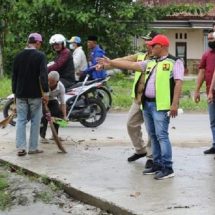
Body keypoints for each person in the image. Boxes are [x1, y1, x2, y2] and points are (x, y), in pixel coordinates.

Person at [98, 34, 184, 180]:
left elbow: (179, 83)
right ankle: (156, 164)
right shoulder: (150, 62)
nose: (149, 47)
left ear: (161, 46)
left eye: (153, 45)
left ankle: (168, 167)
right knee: (153, 136)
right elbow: (131, 65)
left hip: (161, 105)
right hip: (147, 104)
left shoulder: (174, 62)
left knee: (162, 136)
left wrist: (174, 104)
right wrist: (111, 62)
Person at [112, 31, 158, 168]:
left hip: (152, 100)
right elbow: (123, 60)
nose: (146, 43)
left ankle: (151, 156)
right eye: (145, 40)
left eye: (148, 41)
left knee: (152, 129)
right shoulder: (140, 56)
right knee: (131, 124)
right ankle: (140, 150)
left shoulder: (160, 59)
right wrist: (107, 63)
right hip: (138, 99)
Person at [12, 32, 49, 156]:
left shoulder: (18, 56)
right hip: (35, 94)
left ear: (28, 42)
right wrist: (46, 92)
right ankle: (33, 148)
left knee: (21, 120)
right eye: (40, 43)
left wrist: (14, 93)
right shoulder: (40, 56)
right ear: (37, 42)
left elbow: (14, 77)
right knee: (35, 121)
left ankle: (21, 148)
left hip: (20, 93)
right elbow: (43, 76)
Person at [195, 31, 215, 155]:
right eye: (209, 38)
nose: (210, 40)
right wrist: (197, 90)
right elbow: (202, 73)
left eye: (212, 38)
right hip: (210, 93)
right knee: (213, 121)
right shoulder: (207, 54)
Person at [40, 71, 66, 142]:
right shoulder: (44, 83)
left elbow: (63, 103)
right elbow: (44, 98)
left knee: (57, 114)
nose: (49, 83)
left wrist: (64, 116)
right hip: (43, 100)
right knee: (45, 116)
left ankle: (55, 135)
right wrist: (46, 109)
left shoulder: (61, 87)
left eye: (52, 82)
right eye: (48, 81)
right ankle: (42, 136)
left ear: (57, 81)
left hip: (53, 99)